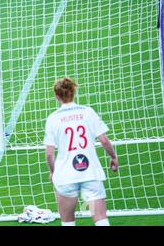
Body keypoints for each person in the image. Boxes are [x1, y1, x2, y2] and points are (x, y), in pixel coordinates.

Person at [44, 77, 119, 226]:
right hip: (90, 173)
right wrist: (113, 157)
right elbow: (104, 140)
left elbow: (49, 153)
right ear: (74, 92)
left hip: (65, 176)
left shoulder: (53, 118)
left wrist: (53, 172)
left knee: (68, 222)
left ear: (57, 97)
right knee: (101, 219)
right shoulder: (88, 112)